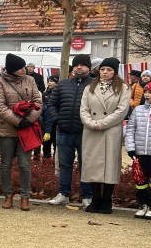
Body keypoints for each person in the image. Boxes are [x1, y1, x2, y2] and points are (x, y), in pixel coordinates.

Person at [0, 53, 43, 210]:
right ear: (12, 69)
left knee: (24, 164)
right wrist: (17, 121)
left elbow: (38, 101)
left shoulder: (31, 80)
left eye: (24, 67)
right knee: (6, 163)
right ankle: (8, 195)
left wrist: (29, 120)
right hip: (7, 128)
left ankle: (25, 197)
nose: (24, 70)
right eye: (20, 68)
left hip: (27, 127)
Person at [80, 57, 128, 215]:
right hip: (91, 130)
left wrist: (101, 124)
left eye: (109, 70)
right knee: (93, 165)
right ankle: (95, 199)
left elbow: (121, 111)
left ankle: (107, 200)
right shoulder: (90, 87)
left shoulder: (123, 88)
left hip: (110, 131)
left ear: (115, 72)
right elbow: (83, 109)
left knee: (109, 165)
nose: (105, 72)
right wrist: (90, 123)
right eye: (102, 69)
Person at [44, 54, 94, 206]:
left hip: (86, 132)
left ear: (89, 67)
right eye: (76, 64)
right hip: (63, 131)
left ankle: (87, 196)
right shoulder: (63, 84)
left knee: (85, 165)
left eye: (83, 64)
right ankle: (63, 193)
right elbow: (51, 104)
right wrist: (57, 119)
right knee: (64, 164)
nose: (79, 67)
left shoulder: (94, 85)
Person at [125, 94, 151, 218]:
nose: (147, 95)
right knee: (140, 180)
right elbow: (130, 129)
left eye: (150, 92)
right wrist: (131, 148)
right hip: (140, 153)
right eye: (146, 92)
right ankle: (143, 204)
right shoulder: (138, 110)